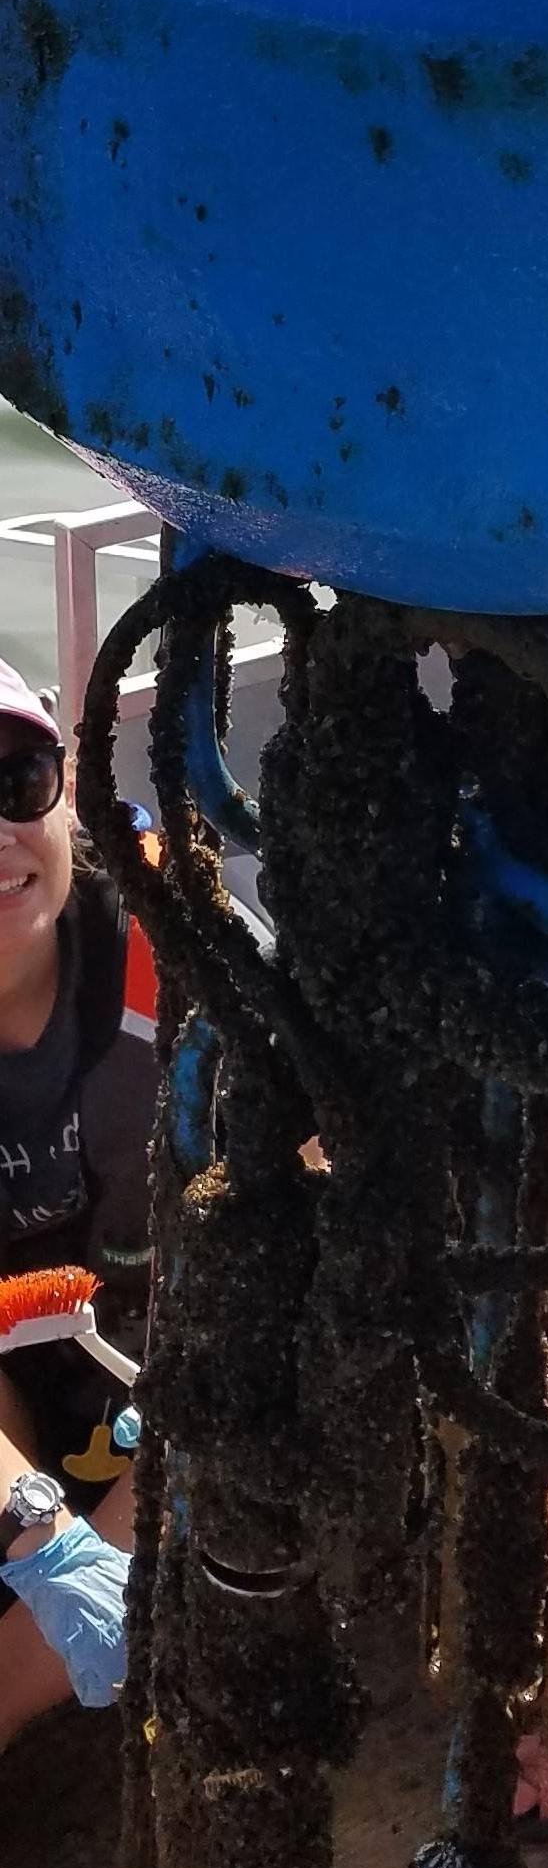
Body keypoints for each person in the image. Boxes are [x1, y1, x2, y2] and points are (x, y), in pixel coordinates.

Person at [0, 651, 148, 1798]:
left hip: (164, 1352)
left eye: (15, 780)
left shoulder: (168, 946)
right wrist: (42, 1532)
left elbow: (312, 1188)